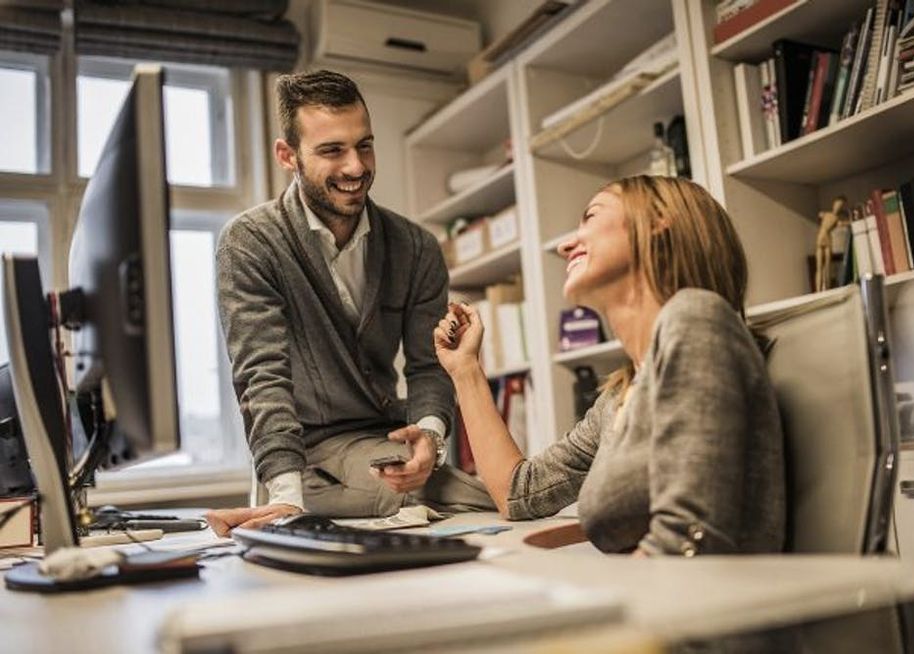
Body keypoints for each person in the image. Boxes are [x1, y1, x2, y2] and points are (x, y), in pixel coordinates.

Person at [434, 175, 786, 555]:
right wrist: (465, 369)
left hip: (695, 591)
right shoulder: (620, 396)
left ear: (658, 223)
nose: (566, 245)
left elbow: (688, 538)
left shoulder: (697, 319)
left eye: (591, 217)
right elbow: (519, 494)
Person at [208, 69, 493, 536]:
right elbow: (262, 377)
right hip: (303, 454)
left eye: (364, 146)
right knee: (483, 499)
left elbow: (429, 365)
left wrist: (430, 438)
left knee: (487, 496)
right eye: (332, 151)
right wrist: (286, 498)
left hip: (382, 441)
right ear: (288, 155)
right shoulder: (250, 243)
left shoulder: (416, 248)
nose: (356, 167)